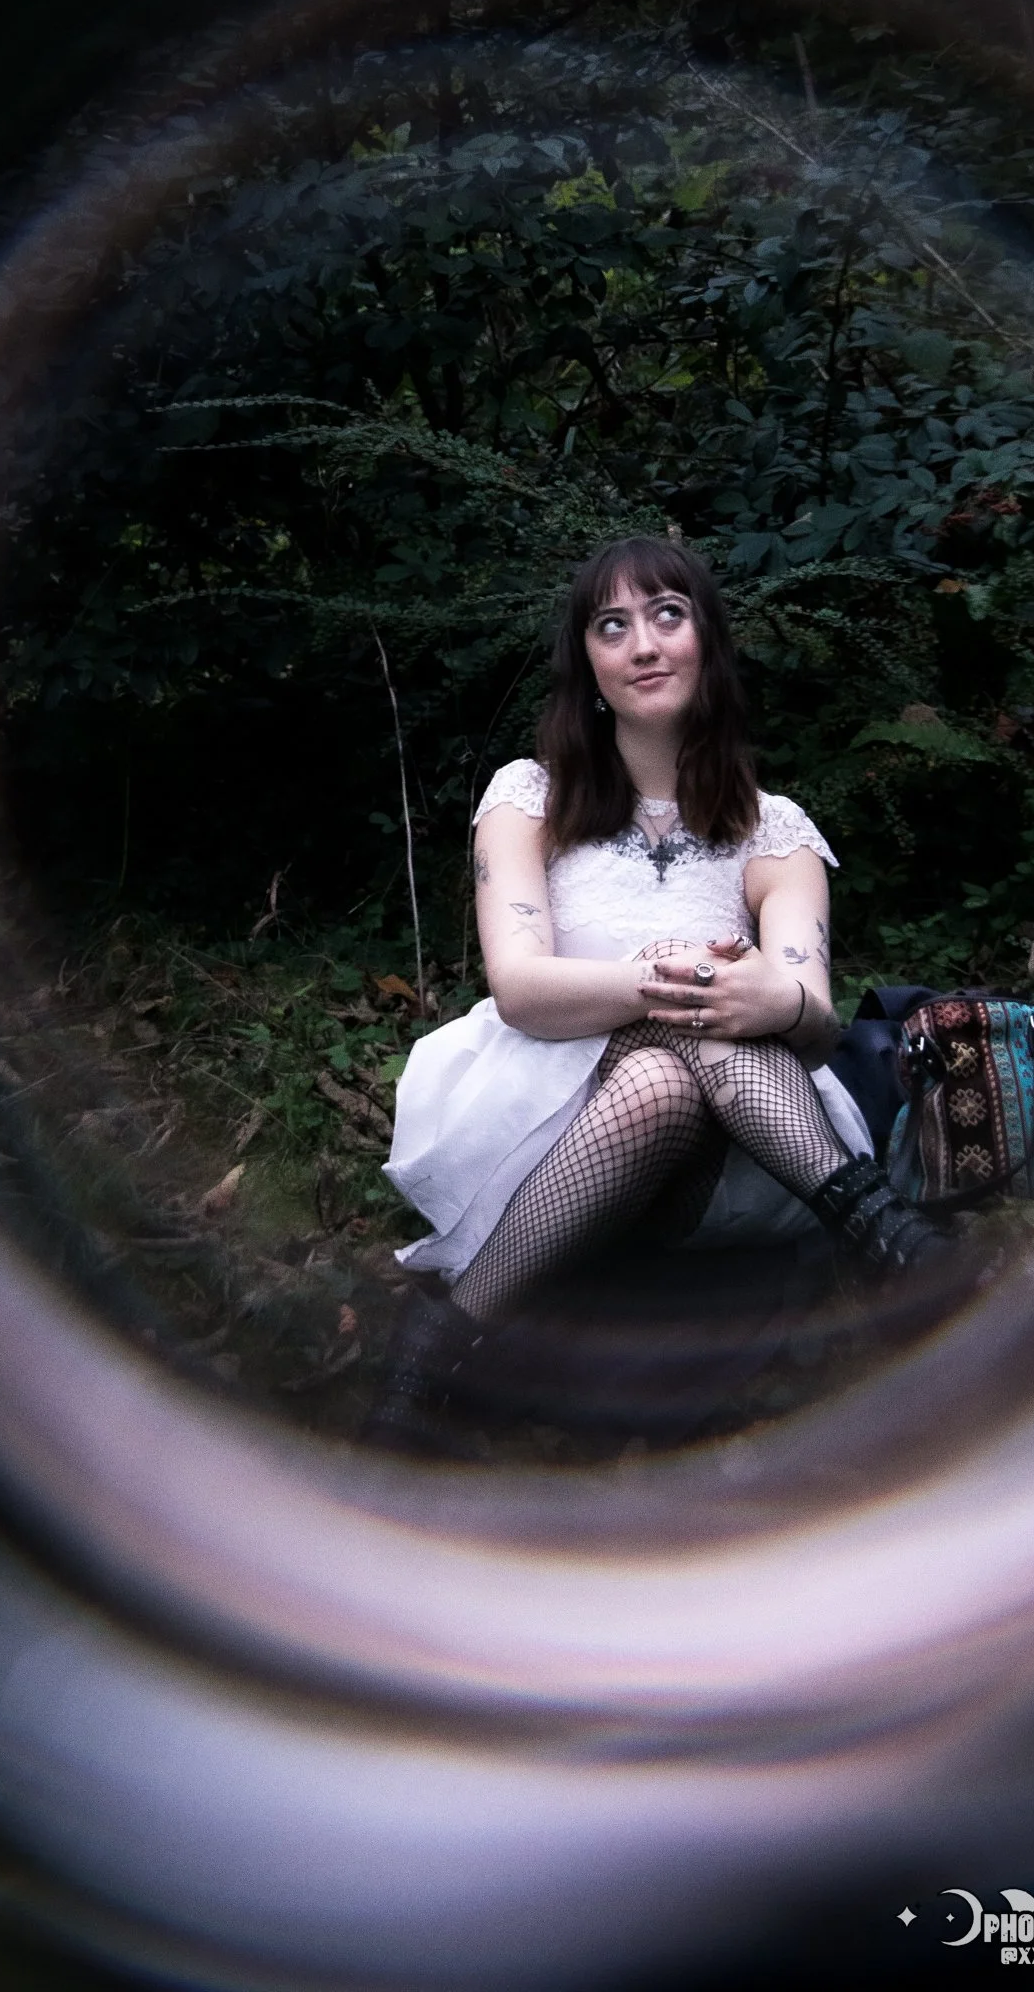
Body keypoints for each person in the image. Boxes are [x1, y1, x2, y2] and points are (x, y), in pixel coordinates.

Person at [371, 536, 950, 1439]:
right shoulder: (528, 798)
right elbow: (521, 987)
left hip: (729, 1154)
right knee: (659, 1068)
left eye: (667, 616)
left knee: (685, 1045)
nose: (643, 644)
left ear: (705, 643)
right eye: (613, 626)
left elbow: (811, 1010)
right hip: (544, 1120)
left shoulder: (776, 833)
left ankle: (440, 1339)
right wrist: (668, 978)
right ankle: (889, 1238)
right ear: (588, 666)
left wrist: (770, 999)